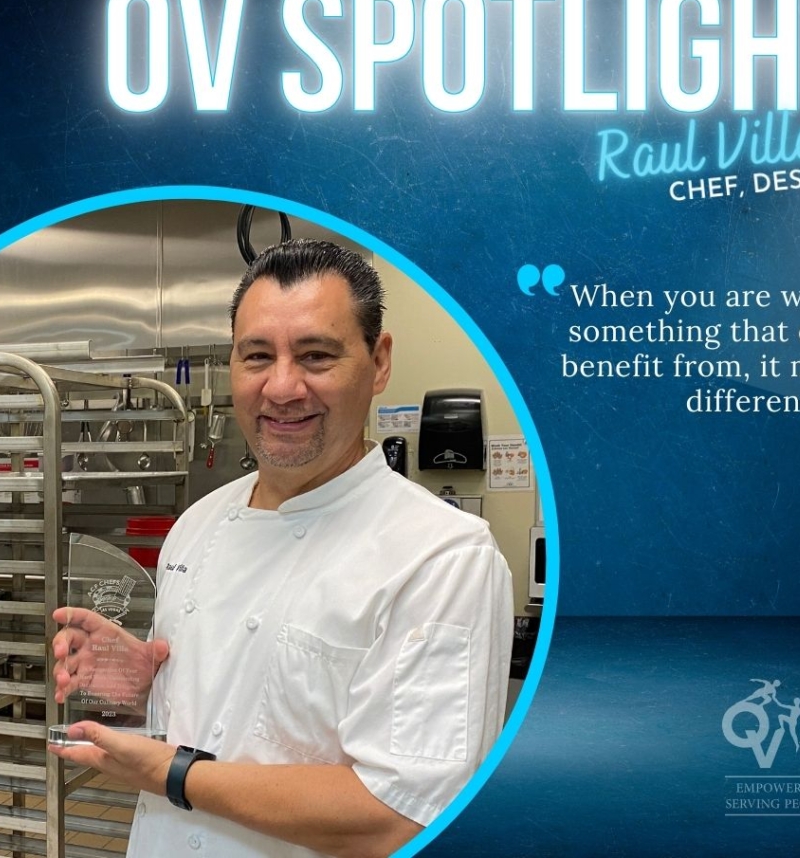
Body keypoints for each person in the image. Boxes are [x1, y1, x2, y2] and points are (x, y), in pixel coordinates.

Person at [51, 239, 514, 858]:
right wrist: (145, 685)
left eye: (316, 355)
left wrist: (172, 773)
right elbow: (234, 705)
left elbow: (401, 817)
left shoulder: (441, 557)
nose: (283, 387)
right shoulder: (198, 524)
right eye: (257, 356)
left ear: (379, 363)